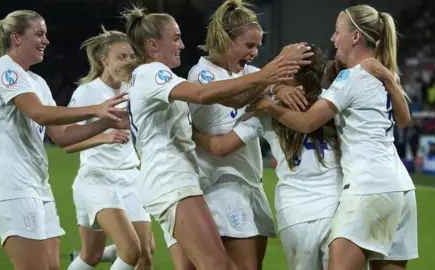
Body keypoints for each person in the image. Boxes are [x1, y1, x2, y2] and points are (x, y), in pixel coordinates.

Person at [121, 4, 310, 270]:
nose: (182, 45)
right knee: (217, 265)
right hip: (171, 179)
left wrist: (270, 83)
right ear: (153, 46)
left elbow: (232, 98)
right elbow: (202, 94)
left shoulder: (155, 77)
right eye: (175, 38)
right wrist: (269, 78)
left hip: (179, 179)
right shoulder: (151, 72)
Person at [245, 5, 417, 270]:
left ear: (356, 37)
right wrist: (391, 80)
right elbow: (405, 122)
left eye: (338, 32)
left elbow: (306, 122)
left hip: (369, 188)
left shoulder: (351, 77)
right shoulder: (378, 75)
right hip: (402, 190)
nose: (333, 39)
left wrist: (270, 107)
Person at [0, 10, 129, 270]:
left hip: (37, 186)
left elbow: (62, 137)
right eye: (39, 34)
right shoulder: (3, 70)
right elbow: (39, 113)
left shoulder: (36, 81)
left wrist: (108, 120)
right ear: (16, 38)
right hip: (10, 187)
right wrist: (95, 109)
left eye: (45, 34)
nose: (46, 40)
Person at [167, 1, 296, 269]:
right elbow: (236, 100)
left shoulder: (252, 74)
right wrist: (267, 90)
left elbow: (272, 87)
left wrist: (278, 89)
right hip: (220, 182)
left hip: (249, 181)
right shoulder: (202, 75)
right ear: (226, 39)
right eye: (249, 45)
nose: (254, 52)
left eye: (258, 46)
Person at [192, 44, 343, 270]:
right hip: (338, 206)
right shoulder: (333, 101)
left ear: (287, 72)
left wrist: (190, 132)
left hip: (296, 212)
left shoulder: (264, 109)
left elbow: (220, 147)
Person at [64, 27, 154, 270]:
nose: (127, 61)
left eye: (130, 56)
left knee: (144, 254)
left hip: (131, 177)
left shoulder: (133, 90)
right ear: (105, 60)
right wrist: (103, 137)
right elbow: (67, 142)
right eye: (120, 56)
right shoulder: (87, 93)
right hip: (98, 178)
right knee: (130, 250)